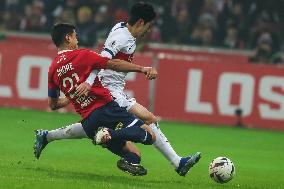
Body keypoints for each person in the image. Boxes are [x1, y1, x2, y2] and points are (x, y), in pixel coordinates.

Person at [37, 2, 201, 177]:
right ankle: (177, 162)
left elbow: (54, 102)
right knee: (148, 119)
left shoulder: (122, 28)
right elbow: (104, 59)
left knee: (92, 129)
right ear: (140, 22)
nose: (149, 30)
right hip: (109, 90)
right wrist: (90, 82)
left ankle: (47, 136)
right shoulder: (122, 37)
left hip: (113, 91)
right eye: (148, 26)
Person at [35, 23, 159, 176]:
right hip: (106, 109)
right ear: (68, 38)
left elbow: (53, 105)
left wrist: (71, 96)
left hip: (89, 122)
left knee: (134, 154)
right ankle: (109, 134)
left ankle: (126, 158)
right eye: (75, 36)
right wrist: (140, 69)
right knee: (150, 136)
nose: (77, 40)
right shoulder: (82, 55)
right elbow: (112, 64)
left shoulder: (52, 69)